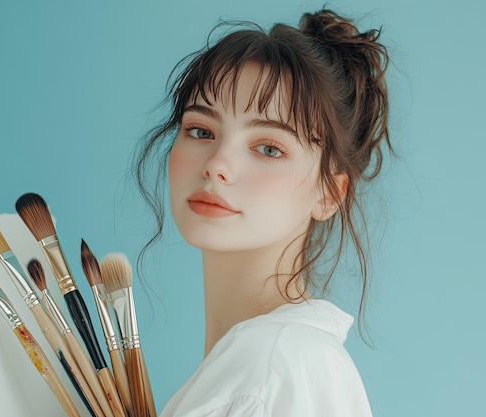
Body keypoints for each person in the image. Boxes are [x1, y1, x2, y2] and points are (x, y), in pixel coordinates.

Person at [135, 8, 391, 417]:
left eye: (269, 148)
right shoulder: (273, 362)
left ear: (328, 193)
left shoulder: (269, 368)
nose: (217, 163)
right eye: (201, 131)